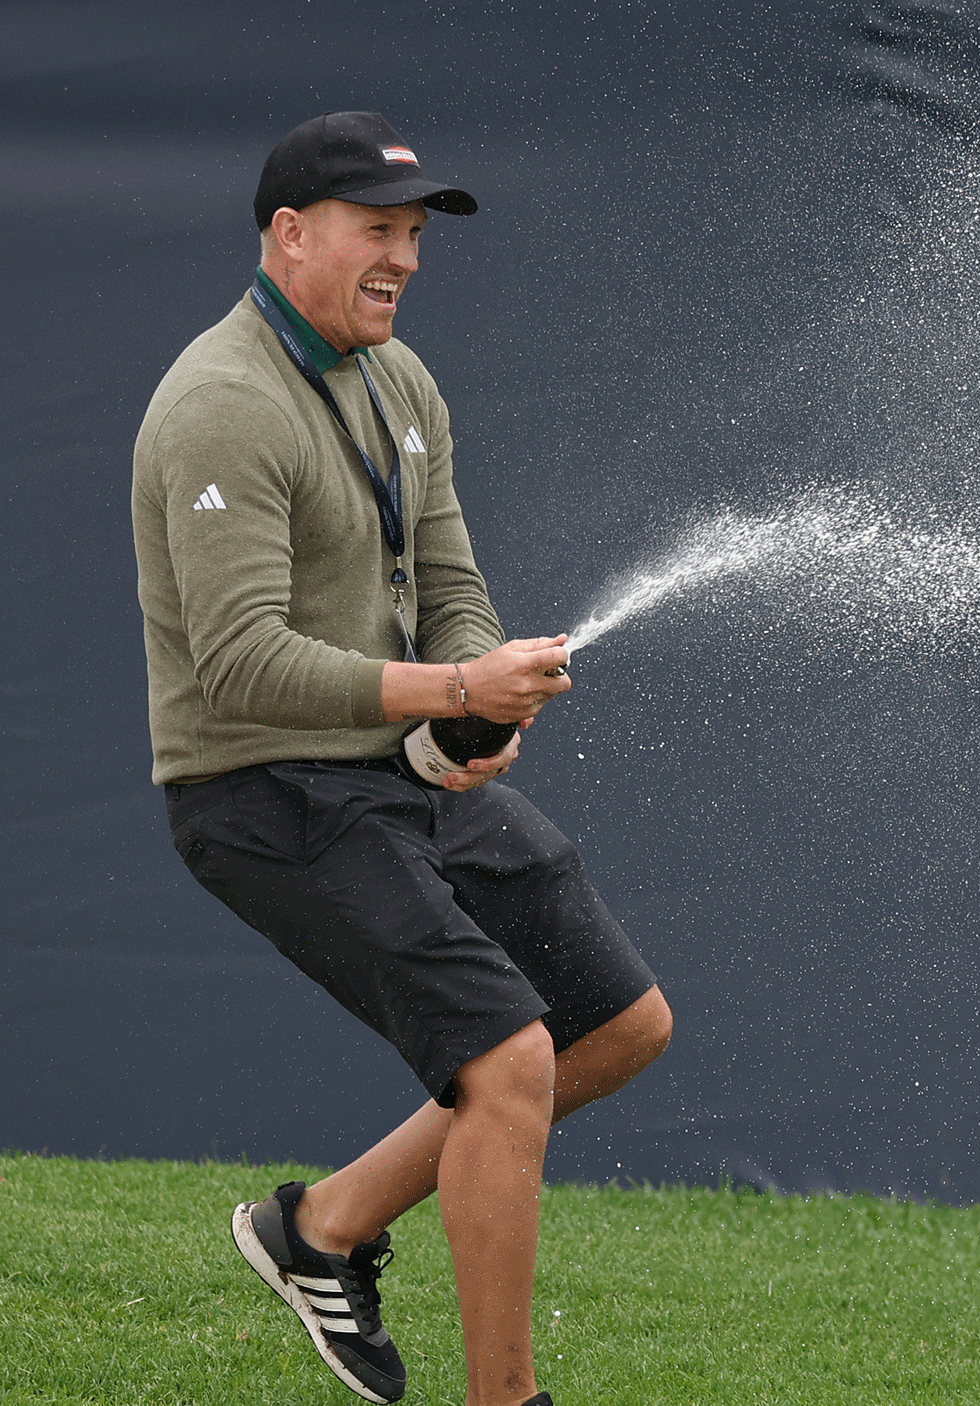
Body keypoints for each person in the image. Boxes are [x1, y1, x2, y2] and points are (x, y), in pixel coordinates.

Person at [131, 112, 672, 1406]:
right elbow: (241, 663)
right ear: (291, 235)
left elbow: (453, 584)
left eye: (417, 234)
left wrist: (476, 706)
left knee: (616, 1024)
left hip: (390, 774)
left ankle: (320, 1227)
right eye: (380, 230)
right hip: (257, 789)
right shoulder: (218, 404)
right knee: (511, 1060)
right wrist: (446, 686)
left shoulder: (400, 382)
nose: (405, 258)